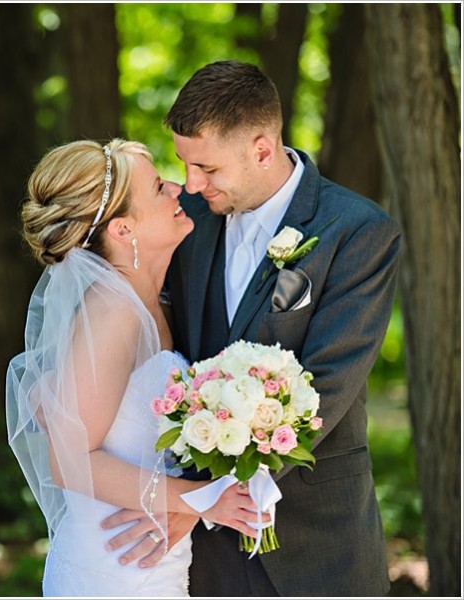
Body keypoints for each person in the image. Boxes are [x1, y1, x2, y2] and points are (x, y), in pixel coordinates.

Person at [102, 60, 400, 596]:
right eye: (184, 165)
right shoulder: (182, 219)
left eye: (208, 169)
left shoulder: (356, 231)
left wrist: (198, 505)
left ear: (262, 149)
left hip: (318, 541)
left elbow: (327, 386)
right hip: (200, 555)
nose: (191, 184)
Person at [6, 138, 268, 597]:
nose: (176, 188)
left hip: (156, 564)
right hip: (111, 568)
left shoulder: (157, 302)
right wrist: (203, 501)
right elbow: (71, 463)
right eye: (157, 186)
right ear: (124, 229)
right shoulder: (112, 311)